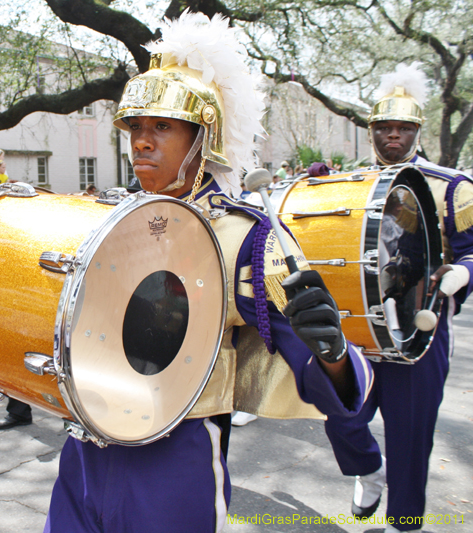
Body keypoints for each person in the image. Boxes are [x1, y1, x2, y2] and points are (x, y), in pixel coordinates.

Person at [44, 13, 373, 532]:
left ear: (204, 138)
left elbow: (317, 367)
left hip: (175, 463)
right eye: (136, 127)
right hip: (85, 450)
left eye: (163, 126)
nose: (142, 142)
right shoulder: (111, 222)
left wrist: (332, 352)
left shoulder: (247, 239)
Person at [322, 63, 473, 533]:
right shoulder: (354, 182)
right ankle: (368, 470)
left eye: (402, 127)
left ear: (416, 131)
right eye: (384, 127)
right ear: (371, 132)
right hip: (358, 324)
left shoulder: (453, 186)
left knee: (410, 439)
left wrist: (459, 275)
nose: (393, 135)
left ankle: (404, 525)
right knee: (340, 414)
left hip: (420, 331)